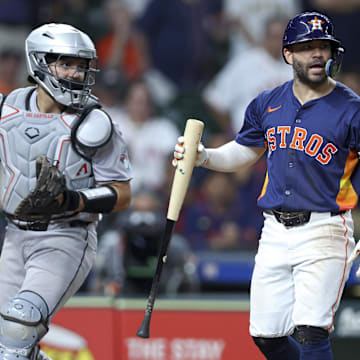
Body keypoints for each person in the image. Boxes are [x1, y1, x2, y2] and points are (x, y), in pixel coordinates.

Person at [173, 11, 360, 359]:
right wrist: (203, 157)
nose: (317, 54)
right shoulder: (268, 101)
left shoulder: (352, 108)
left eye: (323, 47)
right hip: (274, 229)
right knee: (266, 336)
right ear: (288, 54)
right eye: (307, 47)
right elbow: (245, 151)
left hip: (325, 228)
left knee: (311, 331)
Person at [0, 23, 132, 360]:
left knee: (20, 324)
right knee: (7, 342)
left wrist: (72, 199)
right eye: (65, 63)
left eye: (80, 66)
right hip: (14, 234)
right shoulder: (9, 107)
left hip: (65, 237)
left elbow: (121, 193)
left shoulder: (94, 122)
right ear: (39, 62)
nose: (74, 73)